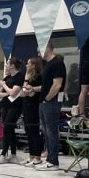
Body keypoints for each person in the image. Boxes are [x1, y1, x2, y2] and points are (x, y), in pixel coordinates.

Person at [28, 40, 67, 169]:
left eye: (40, 50)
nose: (38, 53)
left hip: (51, 103)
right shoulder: (48, 64)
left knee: (51, 132)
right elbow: (46, 86)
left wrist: (48, 98)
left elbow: (57, 85)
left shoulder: (57, 63)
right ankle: (50, 158)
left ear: (47, 48)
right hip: (44, 102)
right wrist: (34, 89)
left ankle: (53, 161)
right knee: (46, 132)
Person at [0, 55, 25, 164]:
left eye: (7, 64)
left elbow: (13, 92)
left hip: (15, 107)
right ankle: (13, 154)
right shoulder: (7, 78)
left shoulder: (19, 77)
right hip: (5, 106)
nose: (6, 66)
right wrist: (7, 91)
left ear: (12, 66)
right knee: (9, 130)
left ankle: (3, 154)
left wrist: (5, 86)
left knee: (7, 128)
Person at [20, 56, 44, 166]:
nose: (26, 65)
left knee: (34, 132)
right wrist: (26, 79)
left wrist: (26, 82)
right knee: (28, 131)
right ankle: (31, 156)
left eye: (28, 63)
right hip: (26, 105)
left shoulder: (38, 77)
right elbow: (24, 91)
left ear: (34, 65)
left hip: (33, 106)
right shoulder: (30, 77)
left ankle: (37, 157)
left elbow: (28, 91)